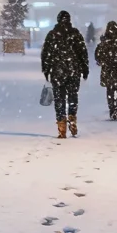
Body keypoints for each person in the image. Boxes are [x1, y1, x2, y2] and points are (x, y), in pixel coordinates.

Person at [40, 10, 89, 138]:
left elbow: (46, 54)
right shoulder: (75, 34)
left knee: (59, 98)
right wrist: (85, 69)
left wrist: (46, 70)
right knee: (73, 96)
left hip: (58, 71)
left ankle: (61, 127)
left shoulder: (52, 35)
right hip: (73, 70)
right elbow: (82, 53)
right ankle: (72, 118)